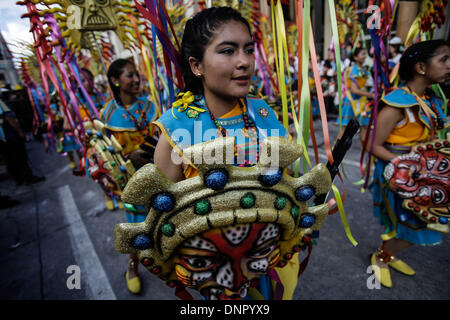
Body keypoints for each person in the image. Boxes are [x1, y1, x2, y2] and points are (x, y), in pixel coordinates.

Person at [153, 7, 297, 300]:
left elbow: (286, 182)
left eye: (248, 49)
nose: (244, 62)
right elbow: (163, 213)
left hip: (264, 254)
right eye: (228, 51)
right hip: (216, 271)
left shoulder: (263, 114)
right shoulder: (177, 129)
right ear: (197, 66)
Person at [370, 40, 449, 288]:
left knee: (419, 223)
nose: (449, 65)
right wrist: (411, 164)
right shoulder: (398, 102)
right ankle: (381, 258)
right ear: (421, 68)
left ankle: (388, 254)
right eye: (444, 59)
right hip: (400, 174)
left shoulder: (433, 99)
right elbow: (374, 145)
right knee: (414, 225)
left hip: (424, 174)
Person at [101, 58, 158, 294]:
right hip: (131, 181)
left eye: (137, 75)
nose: (136, 80)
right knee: (136, 224)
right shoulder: (108, 114)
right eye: (129, 76)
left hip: (159, 172)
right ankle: (133, 266)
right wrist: (127, 158)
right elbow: (106, 153)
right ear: (115, 81)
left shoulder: (149, 105)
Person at [0, 97, 45, 186]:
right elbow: (9, 117)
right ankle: (27, 177)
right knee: (20, 156)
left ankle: (18, 179)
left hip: (4, 139)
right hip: (9, 136)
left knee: (10, 159)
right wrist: (20, 131)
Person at [337, 47, 374, 146]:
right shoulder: (353, 70)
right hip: (352, 101)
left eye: (365, 54)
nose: (365, 56)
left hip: (362, 103)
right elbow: (354, 90)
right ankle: (334, 154)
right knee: (345, 129)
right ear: (355, 57)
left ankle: (365, 154)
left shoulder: (363, 70)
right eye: (362, 54)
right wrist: (369, 95)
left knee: (364, 127)